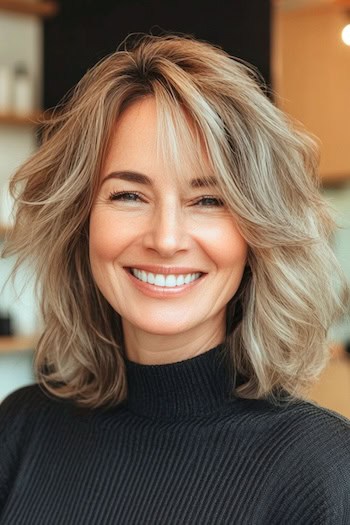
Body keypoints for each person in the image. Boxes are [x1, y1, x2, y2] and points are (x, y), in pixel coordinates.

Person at [1, 32, 350, 525]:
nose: (165, 239)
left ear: (257, 235)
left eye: (208, 200)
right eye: (128, 195)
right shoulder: (22, 429)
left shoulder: (322, 469)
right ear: (81, 221)